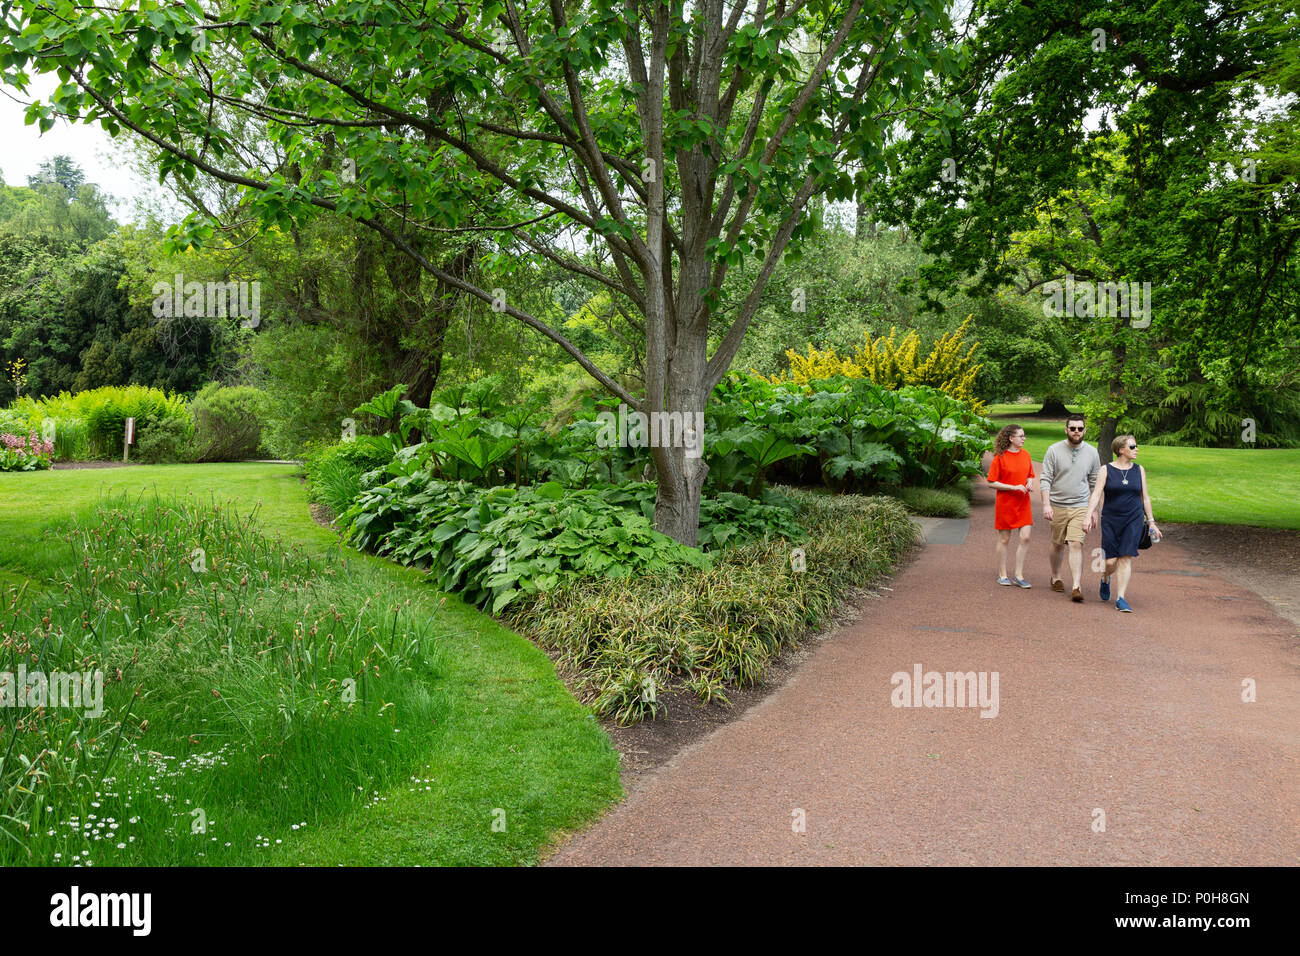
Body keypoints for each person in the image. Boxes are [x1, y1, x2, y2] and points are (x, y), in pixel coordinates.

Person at [1082, 434, 1162, 612]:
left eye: (1136, 446)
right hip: (1111, 519)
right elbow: (1096, 495)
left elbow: (1145, 497)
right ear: (1121, 450)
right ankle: (1105, 578)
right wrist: (1088, 515)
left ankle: (1121, 598)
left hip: (1133, 518)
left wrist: (1151, 522)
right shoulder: (1106, 469)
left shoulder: (1139, 470)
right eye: (1132, 447)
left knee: (1126, 557)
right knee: (1110, 562)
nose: (1136, 449)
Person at [1039, 413, 1101, 602]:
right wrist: (1046, 504)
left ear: (1085, 430)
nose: (1076, 432)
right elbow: (1045, 479)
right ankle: (1056, 576)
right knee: (1057, 544)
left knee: (1075, 543)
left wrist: (1095, 511)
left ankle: (1076, 586)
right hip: (1057, 505)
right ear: (1066, 430)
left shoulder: (1092, 452)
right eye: (1072, 428)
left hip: (1081, 505)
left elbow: (1095, 483)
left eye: (1080, 429)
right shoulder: (1054, 450)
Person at [986, 423, 1035, 587]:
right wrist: (1013, 487)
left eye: (1024, 435)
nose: (1024, 438)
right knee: (1005, 539)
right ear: (1011, 438)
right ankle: (1002, 574)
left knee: (1026, 537)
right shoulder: (1000, 457)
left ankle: (1019, 575)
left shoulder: (1026, 455)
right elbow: (991, 482)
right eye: (1021, 436)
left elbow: (1030, 475)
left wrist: (1029, 482)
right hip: (1006, 503)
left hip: (1023, 502)